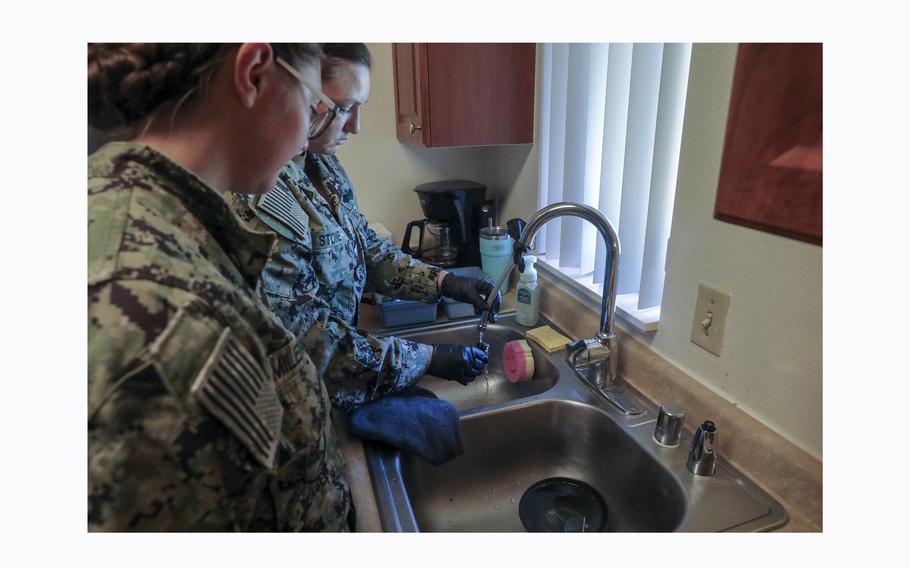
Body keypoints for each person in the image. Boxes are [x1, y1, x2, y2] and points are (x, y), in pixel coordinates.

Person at [88, 43, 354, 531]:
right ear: (254, 74)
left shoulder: (142, 208)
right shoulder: (168, 331)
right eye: (313, 102)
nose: (306, 136)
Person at [229, 44, 499, 411]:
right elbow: (314, 344)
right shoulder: (261, 194)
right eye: (344, 108)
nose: (356, 126)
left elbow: (367, 249)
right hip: (294, 401)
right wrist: (429, 359)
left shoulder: (323, 166)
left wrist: (445, 284)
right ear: (302, 92)